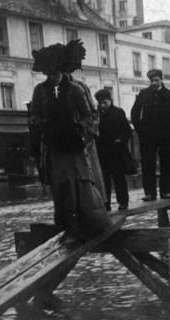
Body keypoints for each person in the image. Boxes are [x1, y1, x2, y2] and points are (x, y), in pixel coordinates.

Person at [29, 43, 112, 244]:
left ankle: (89, 226)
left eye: (56, 72)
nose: (53, 76)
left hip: (74, 146)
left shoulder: (75, 90)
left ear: (62, 70)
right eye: (49, 73)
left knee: (80, 186)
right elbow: (35, 116)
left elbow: (90, 116)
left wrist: (80, 133)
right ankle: (68, 229)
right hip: (54, 147)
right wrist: (44, 128)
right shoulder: (40, 91)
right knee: (60, 186)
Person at [62, 39, 105, 202]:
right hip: (63, 144)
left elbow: (93, 115)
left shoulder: (79, 87)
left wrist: (83, 134)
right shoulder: (51, 90)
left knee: (89, 180)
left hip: (82, 141)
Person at [131, 69, 170, 201]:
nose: (154, 83)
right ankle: (150, 193)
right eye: (151, 80)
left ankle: (165, 191)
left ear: (162, 80)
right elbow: (135, 113)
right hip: (148, 136)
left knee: (166, 162)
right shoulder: (144, 94)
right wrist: (140, 130)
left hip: (166, 136)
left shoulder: (169, 95)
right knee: (147, 164)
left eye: (156, 80)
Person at [95, 89, 132, 211]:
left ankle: (123, 202)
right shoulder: (96, 115)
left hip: (116, 151)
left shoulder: (118, 112)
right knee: (103, 180)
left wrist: (120, 140)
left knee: (119, 178)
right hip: (102, 152)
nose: (103, 105)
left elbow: (127, 131)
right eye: (100, 103)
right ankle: (106, 204)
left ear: (110, 100)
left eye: (105, 102)